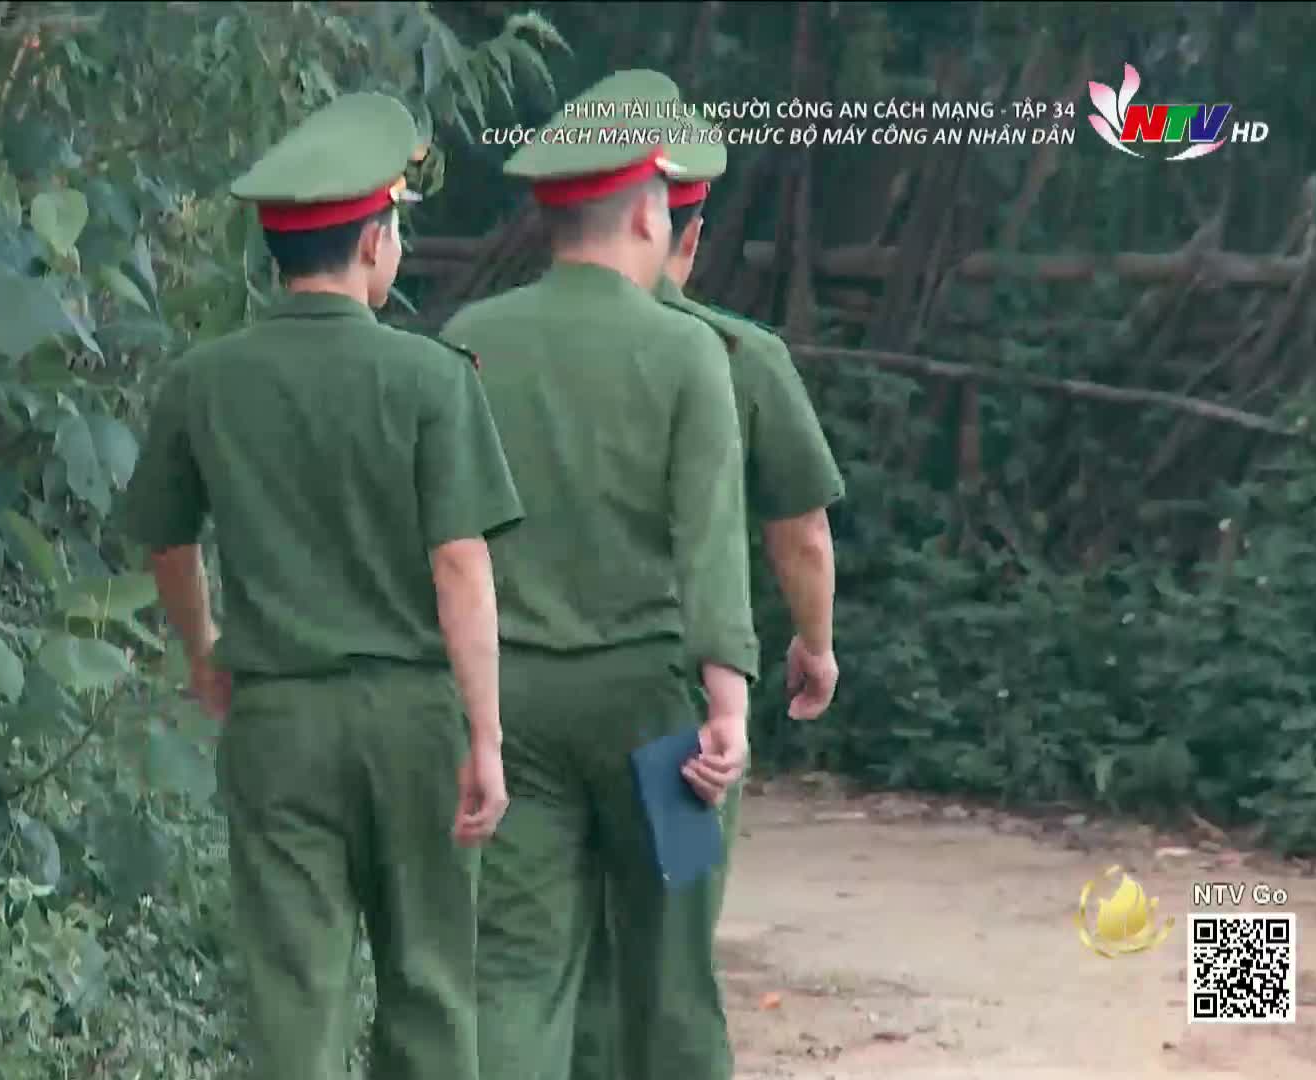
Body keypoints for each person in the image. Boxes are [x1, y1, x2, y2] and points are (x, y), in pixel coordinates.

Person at [117, 92, 525, 1080]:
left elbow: (165, 538)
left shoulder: (205, 381)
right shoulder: (432, 380)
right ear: (377, 239)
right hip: (417, 722)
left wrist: (205, 648)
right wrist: (486, 733)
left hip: (281, 719)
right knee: (430, 979)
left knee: (296, 988)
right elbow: (461, 563)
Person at [442, 70, 758, 1080]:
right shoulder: (688, 352)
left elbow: (445, 544)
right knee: (672, 974)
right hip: (658, 715)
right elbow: (710, 543)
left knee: (515, 974)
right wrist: (728, 711)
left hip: (513, 708)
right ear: (644, 215)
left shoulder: (465, 344)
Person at [566, 91, 848, 1080]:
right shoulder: (741, 357)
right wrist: (813, 647)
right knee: (673, 955)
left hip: (528, 697)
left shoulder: (513, 342)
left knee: (563, 958)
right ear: (688, 229)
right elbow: (801, 536)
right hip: (678, 712)